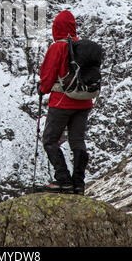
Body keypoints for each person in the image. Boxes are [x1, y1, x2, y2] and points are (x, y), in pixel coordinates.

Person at [37, 10, 92, 195]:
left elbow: (47, 78)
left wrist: (42, 89)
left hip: (61, 102)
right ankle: (78, 184)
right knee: (77, 140)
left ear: (56, 28)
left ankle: (63, 180)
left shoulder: (58, 47)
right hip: (84, 102)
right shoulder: (83, 48)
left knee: (50, 140)